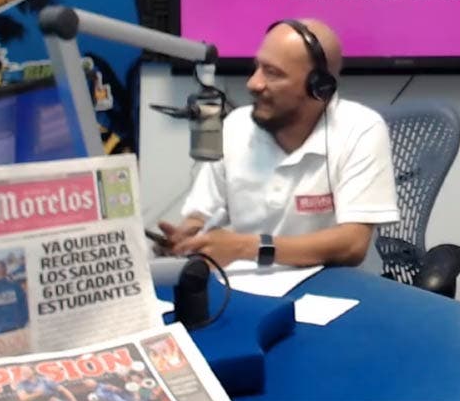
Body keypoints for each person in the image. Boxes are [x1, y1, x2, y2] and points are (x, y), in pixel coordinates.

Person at [158, 19, 399, 268]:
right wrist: (190, 234)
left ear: (319, 87)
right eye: (257, 67)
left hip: (333, 283)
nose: (254, 83)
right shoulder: (236, 126)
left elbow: (352, 244)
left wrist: (246, 248)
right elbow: (203, 212)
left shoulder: (361, 128)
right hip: (249, 281)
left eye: (272, 73)